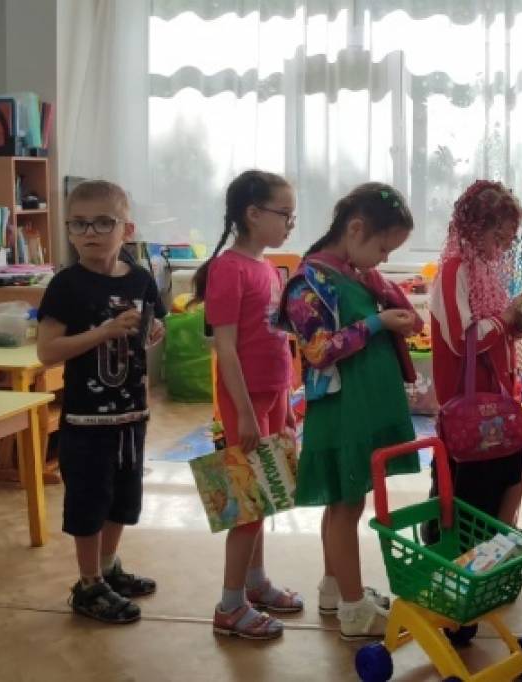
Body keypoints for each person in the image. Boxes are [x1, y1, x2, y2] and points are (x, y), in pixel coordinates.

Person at [282, 183, 423, 639]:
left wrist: (381, 288)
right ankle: (353, 605)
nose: (383, 259)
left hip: (363, 405)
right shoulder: (309, 282)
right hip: (343, 410)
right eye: (382, 249)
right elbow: (318, 350)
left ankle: (335, 588)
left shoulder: (354, 273)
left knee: (347, 499)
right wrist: (376, 322)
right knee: (345, 503)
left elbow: (413, 320)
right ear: (356, 228)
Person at [37, 180, 166, 624]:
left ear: (126, 229)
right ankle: (88, 584)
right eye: (79, 224)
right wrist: (102, 332)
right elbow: (47, 351)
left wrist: (154, 331)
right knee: (89, 502)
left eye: (102, 223)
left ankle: (108, 569)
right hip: (85, 420)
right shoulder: (66, 285)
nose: (89, 232)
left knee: (123, 499)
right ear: (69, 231)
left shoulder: (141, 279)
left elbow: (152, 328)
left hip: (131, 415)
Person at [193, 170, 301, 640]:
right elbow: (227, 348)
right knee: (247, 505)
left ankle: (255, 582)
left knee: (267, 495)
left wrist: (287, 404)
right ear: (253, 214)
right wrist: (243, 412)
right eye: (285, 215)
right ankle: (230, 605)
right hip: (245, 402)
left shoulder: (267, 268)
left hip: (272, 397)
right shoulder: (229, 269)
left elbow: (276, 341)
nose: (290, 225)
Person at [429, 180, 522, 527]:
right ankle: (461, 551)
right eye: (497, 238)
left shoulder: (485, 271)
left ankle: (498, 544)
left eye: (508, 241)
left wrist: (518, 321)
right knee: (465, 499)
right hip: (467, 410)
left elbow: (494, 333)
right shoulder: (454, 270)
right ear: (474, 228)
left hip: (495, 404)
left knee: (513, 472)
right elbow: (464, 340)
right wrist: (506, 319)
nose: (501, 249)